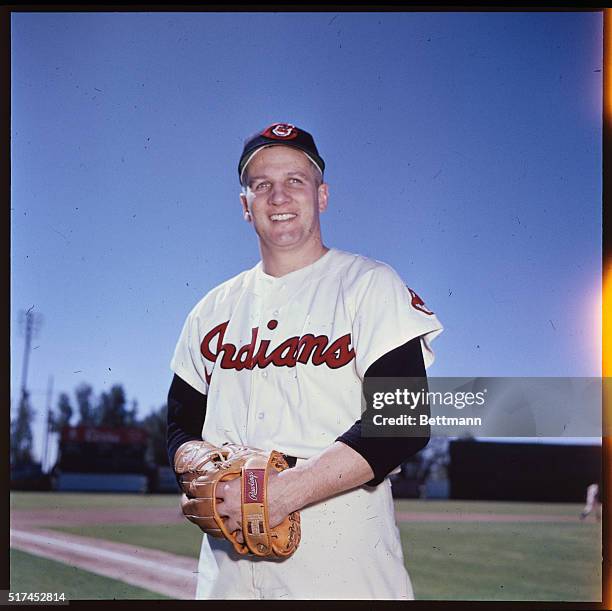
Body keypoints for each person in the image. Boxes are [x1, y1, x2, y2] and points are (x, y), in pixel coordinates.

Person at [166, 122, 443, 599]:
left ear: (322, 196)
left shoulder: (369, 285)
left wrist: (284, 491)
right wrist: (199, 467)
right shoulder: (210, 309)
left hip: (343, 572)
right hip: (226, 577)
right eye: (262, 185)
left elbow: (402, 420)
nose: (278, 197)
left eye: (295, 180)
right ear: (244, 206)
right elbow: (178, 426)